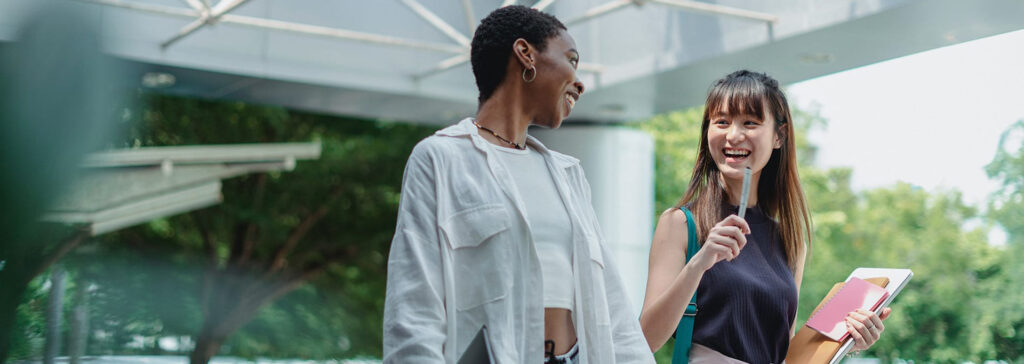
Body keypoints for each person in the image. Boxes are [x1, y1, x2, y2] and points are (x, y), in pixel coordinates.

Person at [382, 6, 654, 364]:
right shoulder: (440, 159)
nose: (580, 81)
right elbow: (414, 308)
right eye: (571, 60)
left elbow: (613, 309)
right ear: (526, 54)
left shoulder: (568, 174)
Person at [638, 70, 891, 363]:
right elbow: (645, 340)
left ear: (779, 136)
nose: (733, 135)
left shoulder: (789, 239)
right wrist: (699, 264)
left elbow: (786, 352)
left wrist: (850, 339)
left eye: (750, 123)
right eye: (721, 122)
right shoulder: (681, 223)